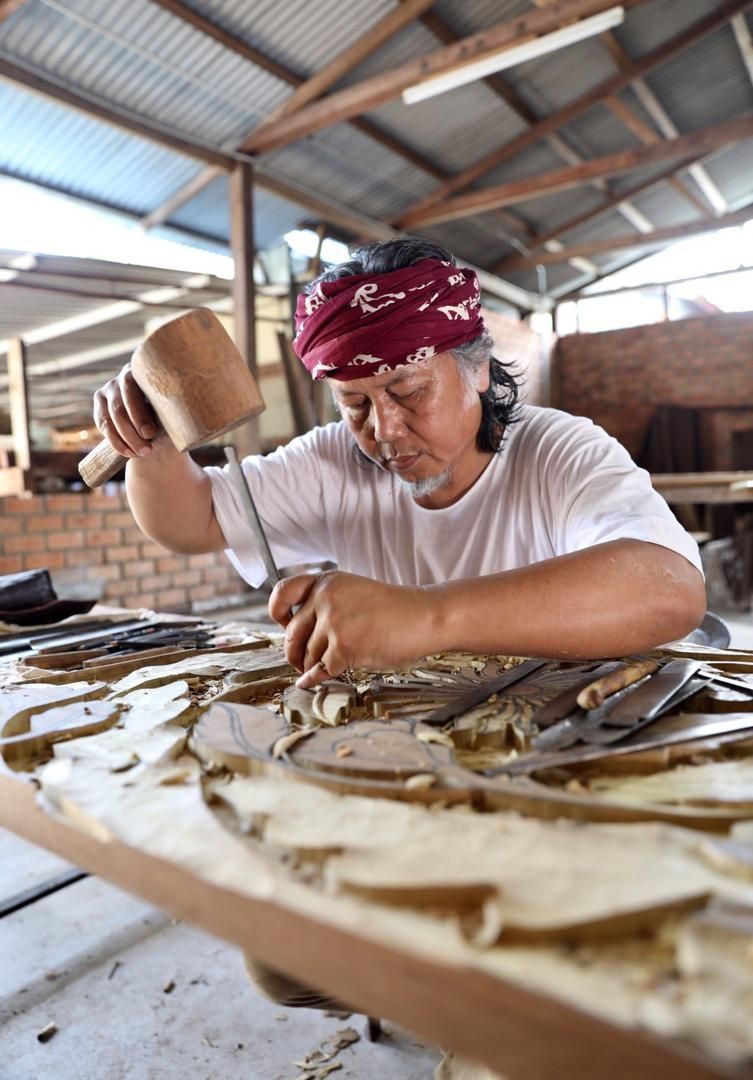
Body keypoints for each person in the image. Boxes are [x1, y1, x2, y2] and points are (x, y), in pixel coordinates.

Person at [92, 237, 706, 1077]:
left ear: (477, 368)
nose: (383, 429)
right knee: (284, 965)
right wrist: (150, 451)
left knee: (573, 990)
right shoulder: (332, 461)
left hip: (560, 780)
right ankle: (474, 1007)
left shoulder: (560, 452)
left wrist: (425, 617)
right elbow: (190, 522)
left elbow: (668, 589)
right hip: (413, 781)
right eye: (353, 402)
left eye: (407, 392)